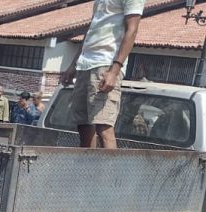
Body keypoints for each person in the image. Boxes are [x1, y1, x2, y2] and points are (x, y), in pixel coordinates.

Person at [61, 0, 145, 149]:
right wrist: (74, 64)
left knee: (103, 126)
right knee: (84, 126)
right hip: (86, 62)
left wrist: (115, 70)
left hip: (106, 63)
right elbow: (92, 28)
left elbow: (132, 30)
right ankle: (86, 169)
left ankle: (108, 173)